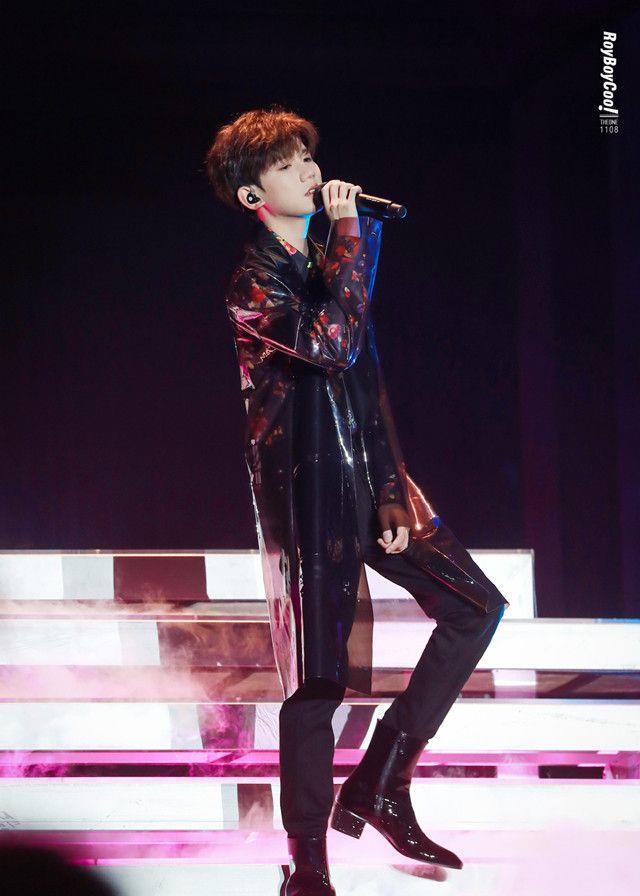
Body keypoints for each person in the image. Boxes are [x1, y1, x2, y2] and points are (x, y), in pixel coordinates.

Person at [204, 105, 509, 895]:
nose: (310, 171)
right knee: (317, 679)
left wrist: (390, 492)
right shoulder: (252, 284)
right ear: (253, 196)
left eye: (308, 156)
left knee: (476, 607)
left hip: (367, 480)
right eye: (287, 164)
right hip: (307, 493)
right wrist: (348, 233)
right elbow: (331, 344)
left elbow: (364, 383)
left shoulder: (334, 262)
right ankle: (308, 859)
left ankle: (380, 780)